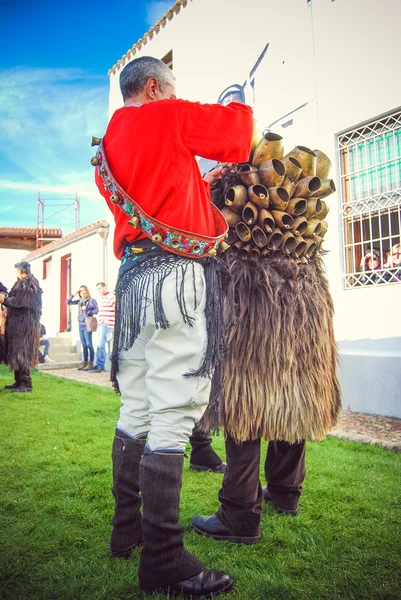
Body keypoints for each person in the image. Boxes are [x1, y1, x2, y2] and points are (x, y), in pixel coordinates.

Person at [93, 56, 253, 598]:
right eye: (173, 88)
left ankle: (127, 530)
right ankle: (163, 556)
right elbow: (235, 135)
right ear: (155, 86)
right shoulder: (167, 114)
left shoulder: (106, 144)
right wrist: (239, 94)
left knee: (135, 403)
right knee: (176, 406)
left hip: (132, 278)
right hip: (177, 278)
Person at [191, 158, 341, 544]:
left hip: (254, 305)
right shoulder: (287, 201)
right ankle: (286, 493)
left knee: (246, 407)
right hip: (304, 305)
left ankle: (239, 515)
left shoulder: (228, 192)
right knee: (293, 399)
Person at [0, 262, 42, 392]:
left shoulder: (29, 283)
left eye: (17, 270)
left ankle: (25, 383)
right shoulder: (22, 283)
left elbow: (21, 302)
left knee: (22, 351)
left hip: (25, 325)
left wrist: (4, 301)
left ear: (20, 270)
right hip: (17, 324)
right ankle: (18, 381)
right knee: (16, 352)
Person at [67, 285, 98, 371]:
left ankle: (91, 363)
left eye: (83, 290)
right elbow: (68, 302)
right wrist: (73, 294)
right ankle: (85, 362)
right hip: (80, 324)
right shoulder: (80, 301)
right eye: (80, 291)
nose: (82, 292)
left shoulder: (91, 300)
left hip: (87, 324)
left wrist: (87, 309)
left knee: (89, 344)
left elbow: (96, 311)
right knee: (83, 345)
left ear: (86, 291)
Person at [89, 282, 116, 373]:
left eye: (100, 288)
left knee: (101, 345)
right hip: (101, 324)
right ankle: (100, 365)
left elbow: (116, 309)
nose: (99, 291)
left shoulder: (111, 297)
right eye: (97, 289)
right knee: (100, 345)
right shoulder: (102, 298)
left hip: (107, 324)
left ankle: (100, 365)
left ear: (105, 287)